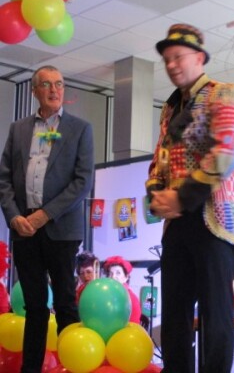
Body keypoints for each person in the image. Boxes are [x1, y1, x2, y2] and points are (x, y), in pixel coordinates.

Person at [145, 23, 234, 373]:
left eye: (178, 57)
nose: (171, 65)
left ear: (199, 58)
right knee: (174, 316)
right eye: (167, 59)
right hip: (177, 225)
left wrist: (181, 197)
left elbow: (226, 151)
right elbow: (159, 159)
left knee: (215, 316)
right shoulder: (169, 108)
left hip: (214, 221)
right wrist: (156, 194)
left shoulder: (223, 93)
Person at [0, 65, 94, 373]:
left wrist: (45, 214)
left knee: (65, 302)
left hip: (61, 229)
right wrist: (14, 216)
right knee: (34, 306)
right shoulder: (18, 129)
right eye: (47, 84)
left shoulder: (80, 129)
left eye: (59, 84)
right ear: (34, 91)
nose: (54, 90)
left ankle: (71, 367)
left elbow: (82, 182)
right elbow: (4, 180)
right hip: (24, 229)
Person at [103, 255, 141, 324]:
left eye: (118, 273)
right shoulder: (106, 294)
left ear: (126, 277)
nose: (113, 277)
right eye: (110, 273)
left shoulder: (131, 299)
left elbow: (132, 325)